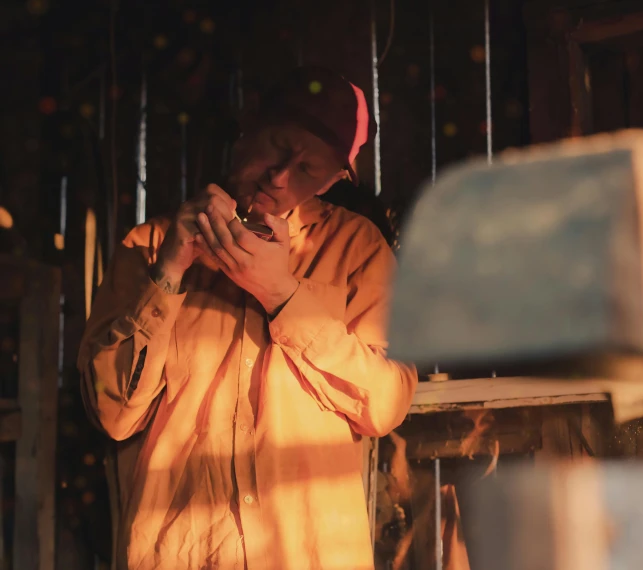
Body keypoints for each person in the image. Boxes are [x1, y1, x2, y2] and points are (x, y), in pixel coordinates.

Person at [77, 66, 418, 570]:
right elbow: (113, 414)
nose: (279, 177)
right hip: (185, 554)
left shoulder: (357, 251)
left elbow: (386, 404)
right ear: (248, 129)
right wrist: (169, 272)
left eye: (307, 170)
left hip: (310, 555)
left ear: (331, 180)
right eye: (278, 146)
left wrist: (282, 294)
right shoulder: (149, 246)